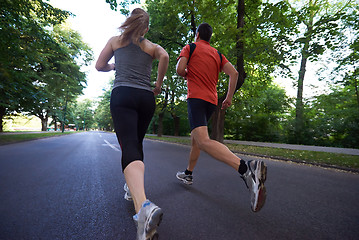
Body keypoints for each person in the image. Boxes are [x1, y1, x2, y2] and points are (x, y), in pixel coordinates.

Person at [175, 23, 267, 212]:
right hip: (211, 101)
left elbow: (179, 69)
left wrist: (186, 74)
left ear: (198, 34)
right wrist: (228, 97)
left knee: (202, 140)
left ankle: (246, 168)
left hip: (196, 99)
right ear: (209, 37)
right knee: (196, 141)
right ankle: (188, 173)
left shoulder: (190, 47)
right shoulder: (217, 54)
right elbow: (234, 73)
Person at [95, 8, 169, 239]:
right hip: (145, 98)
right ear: (145, 28)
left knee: (128, 146)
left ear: (128, 23)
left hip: (123, 95)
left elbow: (99, 65)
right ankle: (132, 189)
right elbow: (165, 56)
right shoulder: (150, 46)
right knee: (136, 144)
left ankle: (143, 206)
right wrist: (157, 84)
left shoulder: (116, 41)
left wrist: (113, 67)